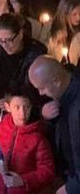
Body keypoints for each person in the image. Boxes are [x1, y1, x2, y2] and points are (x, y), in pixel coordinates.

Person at [0, 87, 55, 194]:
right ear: (7, 107)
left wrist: (23, 180)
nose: (22, 114)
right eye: (17, 107)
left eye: (26, 107)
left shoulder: (37, 138)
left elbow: (47, 171)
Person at [29, 56, 80, 194]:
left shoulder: (76, 106)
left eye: (42, 88)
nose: (40, 93)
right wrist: (49, 118)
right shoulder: (65, 94)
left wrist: (72, 187)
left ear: (56, 81)